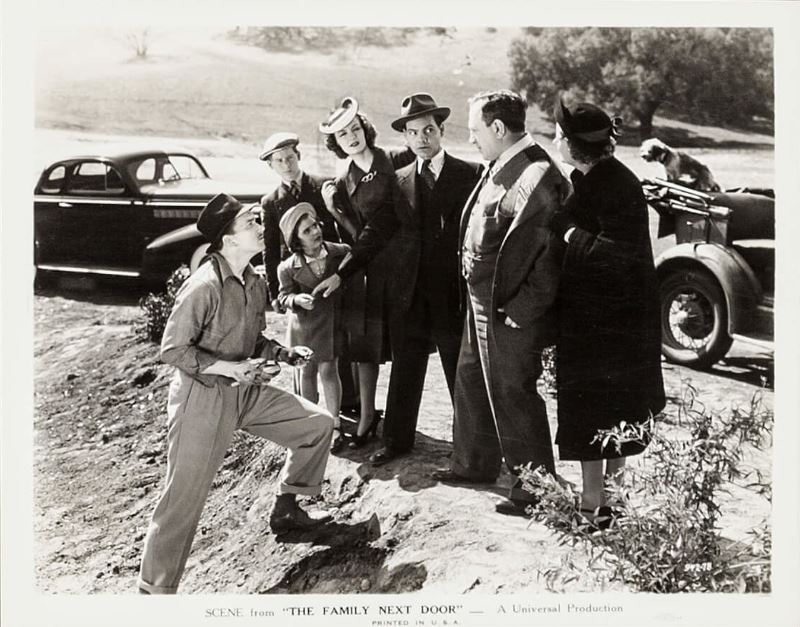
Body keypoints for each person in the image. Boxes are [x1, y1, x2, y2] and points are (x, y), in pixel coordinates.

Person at [137, 193, 334, 594]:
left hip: (245, 389)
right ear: (228, 239)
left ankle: (288, 507)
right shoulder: (204, 285)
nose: (262, 229)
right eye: (252, 224)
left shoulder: (254, 279)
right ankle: (154, 593)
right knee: (182, 502)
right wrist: (231, 368)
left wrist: (282, 352)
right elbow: (173, 349)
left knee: (317, 424)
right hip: (202, 398)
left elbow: (253, 337)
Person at [431, 90, 570, 517]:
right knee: (471, 380)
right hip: (481, 300)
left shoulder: (538, 175)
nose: (471, 139)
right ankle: (473, 464)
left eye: (474, 130)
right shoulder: (504, 165)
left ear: (497, 128)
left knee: (512, 391)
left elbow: (550, 257)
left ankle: (534, 489)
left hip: (507, 308)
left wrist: (522, 309)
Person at [549, 98, 666, 526]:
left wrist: (568, 232)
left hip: (607, 325)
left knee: (594, 412)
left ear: (573, 144)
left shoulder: (613, 184)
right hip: (608, 320)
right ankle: (610, 505)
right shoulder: (597, 177)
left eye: (560, 135)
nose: (555, 140)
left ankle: (592, 508)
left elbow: (613, 254)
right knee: (612, 411)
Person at [368, 93, 482, 466]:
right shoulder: (399, 179)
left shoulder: (469, 174)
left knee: (458, 372)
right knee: (406, 368)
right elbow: (378, 230)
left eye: (428, 130)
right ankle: (396, 442)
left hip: (452, 294)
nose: (422, 138)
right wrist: (343, 270)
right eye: (413, 132)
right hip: (410, 294)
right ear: (405, 138)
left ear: (441, 131)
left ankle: (468, 450)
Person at [311, 97, 405, 449]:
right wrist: (335, 211)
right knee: (366, 348)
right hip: (367, 270)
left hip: (401, 267)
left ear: (365, 130)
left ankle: (394, 424)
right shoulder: (342, 179)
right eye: (342, 134)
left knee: (404, 348)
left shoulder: (395, 160)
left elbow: (390, 222)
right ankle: (366, 415)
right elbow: (356, 235)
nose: (351, 137)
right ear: (336, 143)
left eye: (355, 129)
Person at [258, 131, 359, 414]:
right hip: (296, 279)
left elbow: (338, 234)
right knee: (302, 349)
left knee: (335, 346)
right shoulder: (270, 202)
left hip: (328, 273)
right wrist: (275, 294)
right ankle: (307, 409)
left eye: (290, 158)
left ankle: (346, 405)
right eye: (279, 161)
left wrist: (343, 275)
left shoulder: (321, 186)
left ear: (298, 157)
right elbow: (270, 249)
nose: (287, 165)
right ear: (272, 166)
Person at [277, 202, 351, 453]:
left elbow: (351, 272)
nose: (316, 232)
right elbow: (282, 297)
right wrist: (296, 300)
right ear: (296, 241)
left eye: (316, 226)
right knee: (306, 374)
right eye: (307, 231)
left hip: (330, 324)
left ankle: (335, 421)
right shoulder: (287, 268)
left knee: (330, 370)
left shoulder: (339, 252)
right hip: (304, 328)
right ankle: (312, 422)